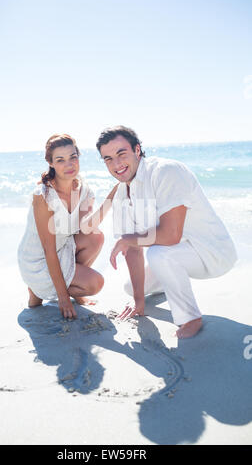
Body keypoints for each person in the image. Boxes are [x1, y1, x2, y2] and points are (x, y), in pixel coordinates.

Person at [94, 125, 237, 339]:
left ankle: (190, 317)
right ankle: (168, 279)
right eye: (108, 159)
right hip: (181, 254)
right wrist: (139, 303)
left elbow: (171, 235)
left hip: (212, 253)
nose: (116, 164)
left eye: (121, 153)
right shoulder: (123, 192)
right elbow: (132, 248)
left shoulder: (165, 171)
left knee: (158, 253)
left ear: (137, 150)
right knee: (131, 289)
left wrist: (128, 240)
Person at [17, 133, 105, 319]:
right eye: (60, 160)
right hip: (38, 260)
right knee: (95, 283)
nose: (69, 164)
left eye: (73, 157)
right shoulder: (43, 196)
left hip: (63, 249)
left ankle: (66, 289)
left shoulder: (84, 190)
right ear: (51, 163)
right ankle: (37, 290)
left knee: (96, 237)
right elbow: (48, 249)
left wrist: (113, 197)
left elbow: (87, 229)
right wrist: (64, 298)